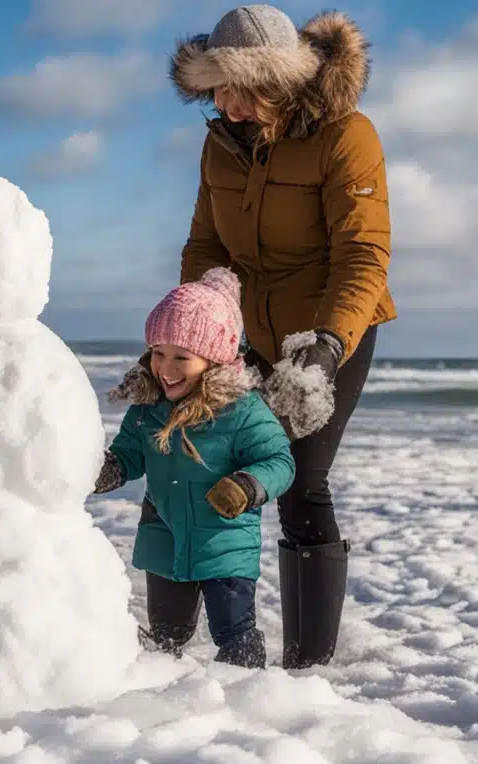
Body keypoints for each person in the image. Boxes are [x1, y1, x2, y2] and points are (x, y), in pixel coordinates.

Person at [169, 4, 394, 668]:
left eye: (246, 90)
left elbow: (362, 253)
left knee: (300, 481)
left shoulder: (347, 135)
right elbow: (205, 245)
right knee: (198, 466)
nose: (231, 107)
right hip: (246, 334)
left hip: (329, 328)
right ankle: (188, 644)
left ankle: (308, 665)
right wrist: (194, 332)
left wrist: (326, 344)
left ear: (283, 80)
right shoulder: (219, 143)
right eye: (220, 90)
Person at [95, 268, 296, 668]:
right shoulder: (148, 408)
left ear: (213, 359)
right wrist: (102, 470)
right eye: (158, 353)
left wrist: (246, 486)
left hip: (225, 544)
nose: (166, 368)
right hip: (163, 536)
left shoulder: (241, 410)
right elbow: (129, 454)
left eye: (181, 358)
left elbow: (280, 462)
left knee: (234, 636)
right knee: (166, 637)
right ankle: (163, 699)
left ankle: (251, 702)